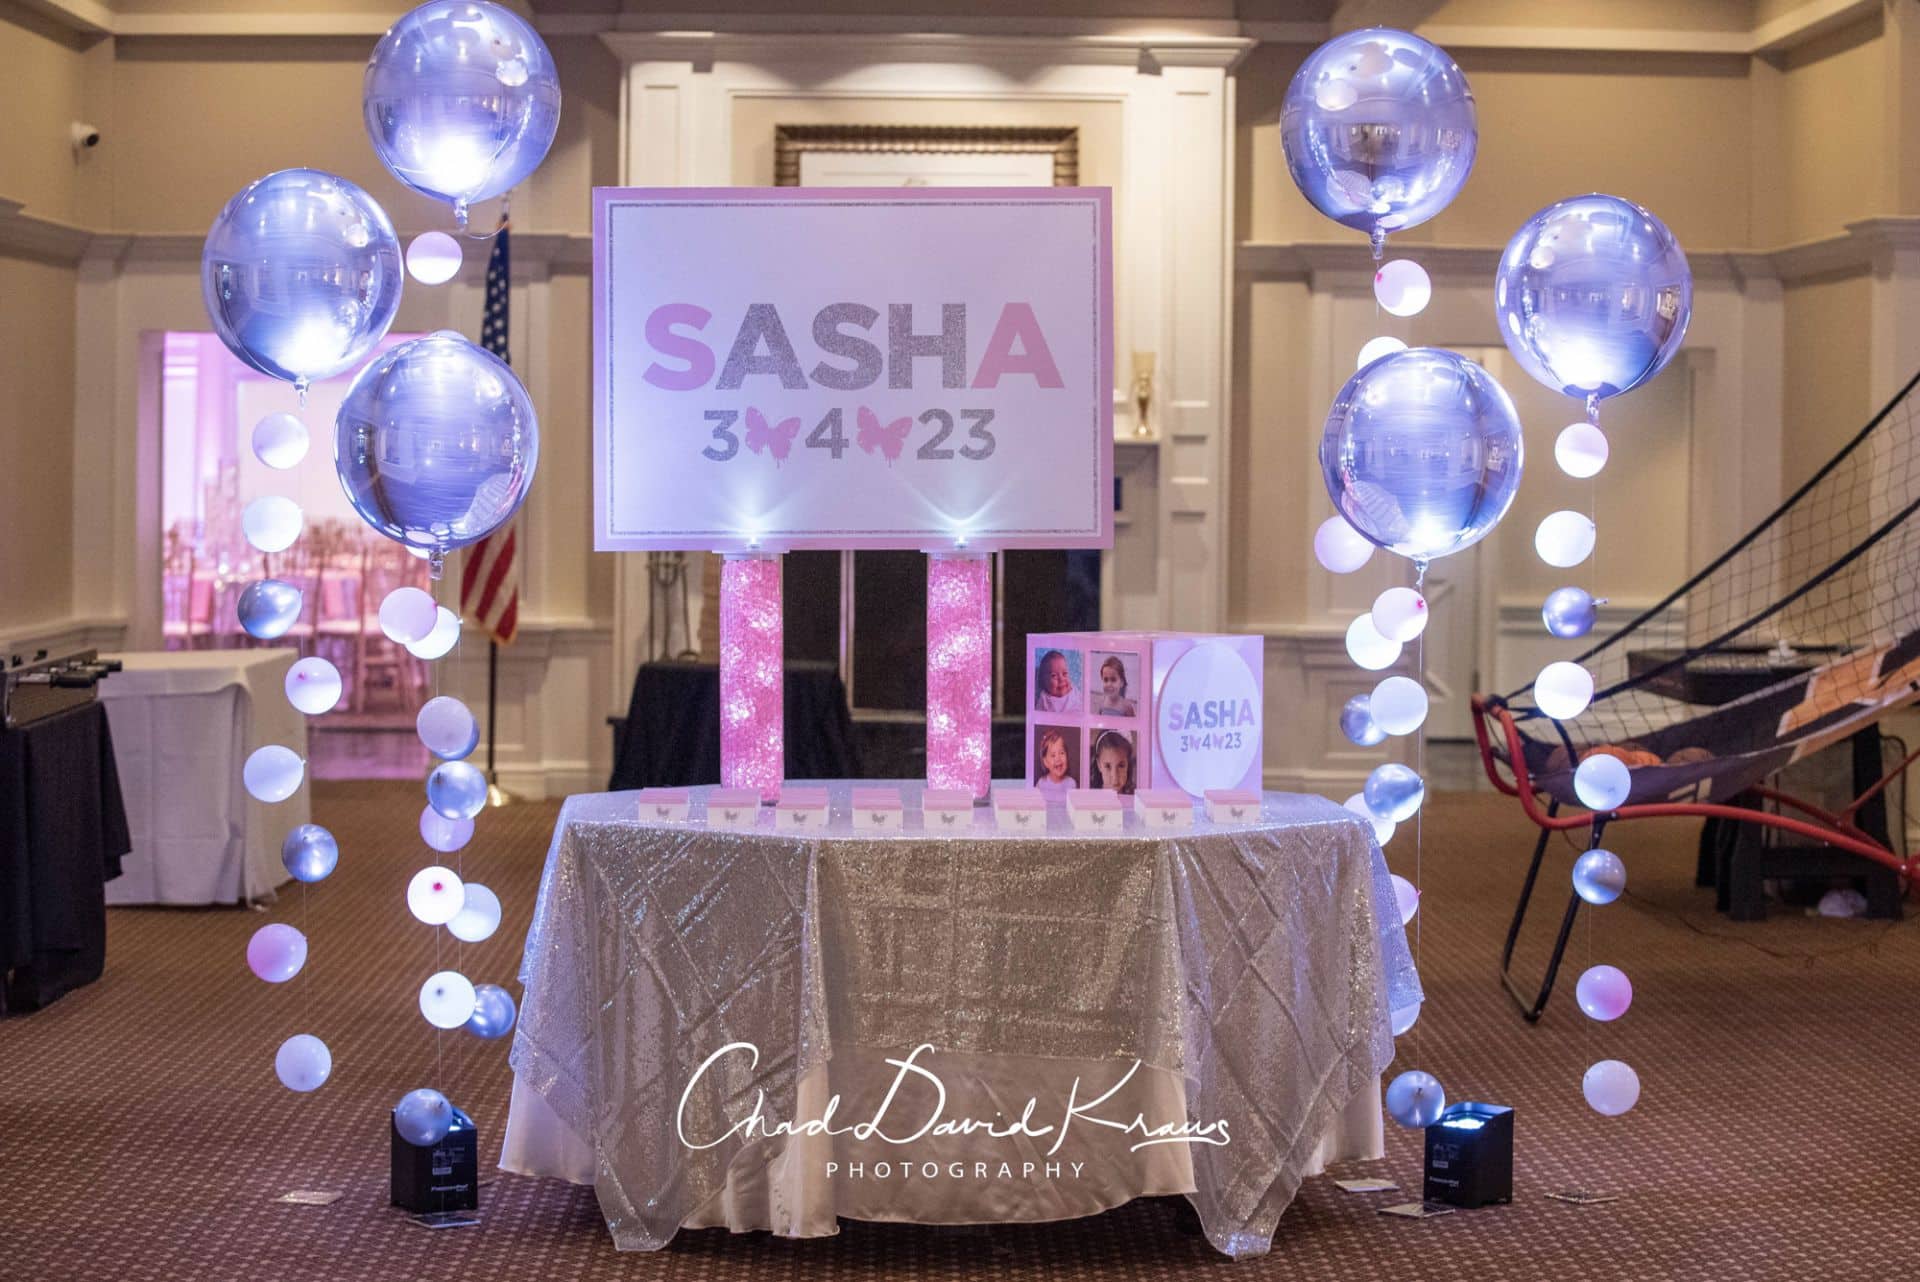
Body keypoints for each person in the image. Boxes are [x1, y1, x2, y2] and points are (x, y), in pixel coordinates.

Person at [1034, 727, 1077, 796]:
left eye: (1062, 753)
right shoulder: (1041, 784)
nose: (1058, 758)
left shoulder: (1071, 784)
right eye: (1053, 755)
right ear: (1046, 762)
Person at [1092, 730, 1135, 795]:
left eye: (1121, 766)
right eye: (1108, 766)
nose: (1115, 777)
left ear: (1128, 764)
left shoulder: (1135, 798)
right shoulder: (1091, 799)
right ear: (1099, 765)